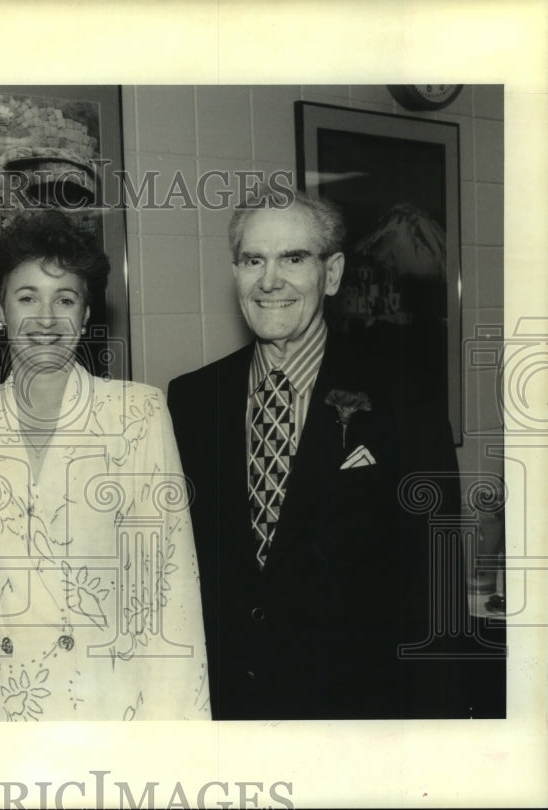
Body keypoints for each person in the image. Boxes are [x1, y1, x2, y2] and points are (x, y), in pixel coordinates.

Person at [167, 189, 466, 719]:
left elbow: (436, 586)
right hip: (227, 716)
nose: (270, 280)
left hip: (358, 721)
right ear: (234, 271)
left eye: (294, 258)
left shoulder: (405, 399)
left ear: (331, 274)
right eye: (253, 260)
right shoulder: (192, 400)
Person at [0, 210, 210, 720]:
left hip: (112, 709)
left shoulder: (137, 414)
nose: (47, 319)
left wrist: (175, 748)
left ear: (87, 314)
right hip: (0, 716)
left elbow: (173, 596)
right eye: (26, 297)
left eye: (65, 299)